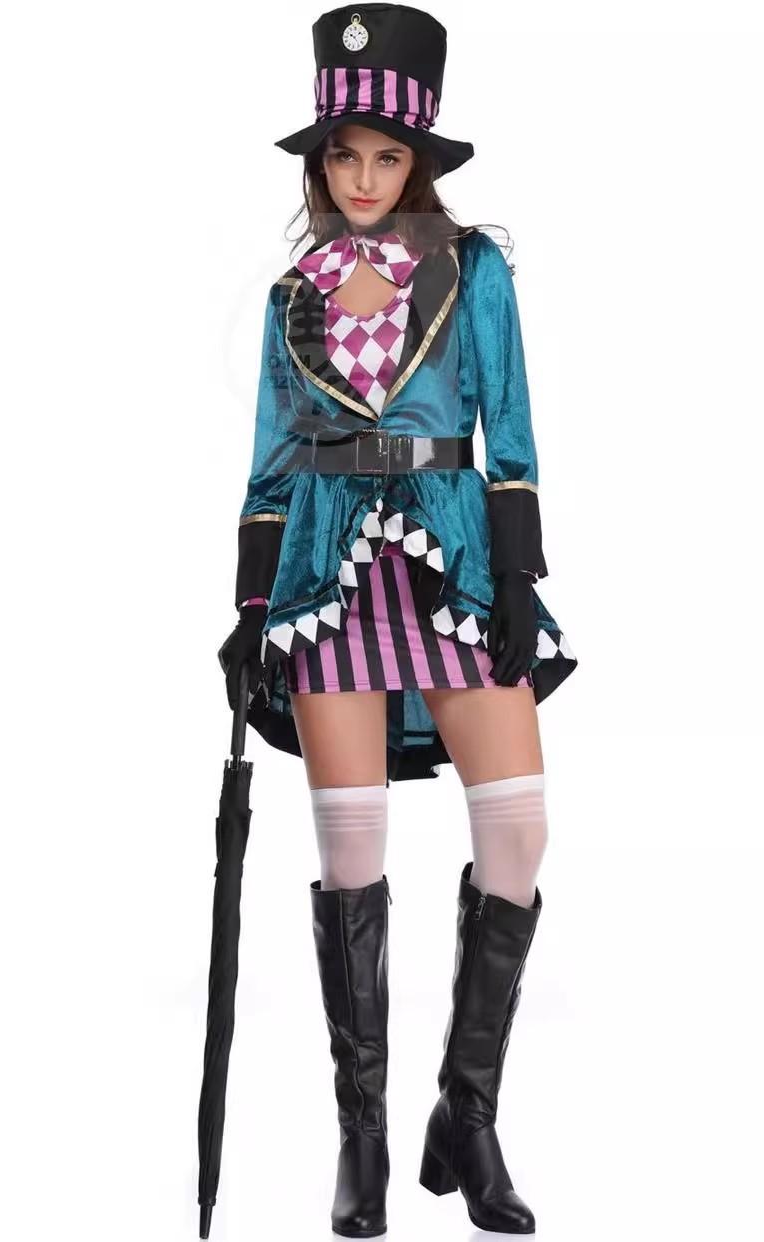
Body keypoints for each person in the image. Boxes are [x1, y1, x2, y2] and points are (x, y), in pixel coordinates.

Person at [216, 5, 577, 1236]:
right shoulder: (293, 297)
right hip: (325, 579)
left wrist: (516, 577)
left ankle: (465, 1113)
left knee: (517, 832)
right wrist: (248, 608)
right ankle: (361, 1135)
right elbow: (271, 466)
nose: (363, 179)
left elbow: (510, 427)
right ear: (320, 165)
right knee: (352, 856)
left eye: (385, 157)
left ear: (415, 161)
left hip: (453, 562)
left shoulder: (471, 270)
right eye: (343, 157)